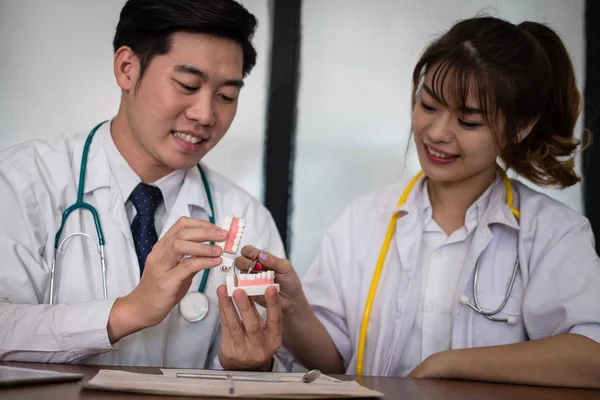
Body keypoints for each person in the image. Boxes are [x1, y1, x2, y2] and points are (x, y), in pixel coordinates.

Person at [216, 16, 600, 388]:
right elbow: (331, 362)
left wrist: (448, 365)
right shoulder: (363, 220)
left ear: (520, 126)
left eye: (468, 122)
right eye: (428, 106)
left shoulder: (553, 232)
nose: (436, 133)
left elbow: (591, 357)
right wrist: (294, 306)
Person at [0, 0, 284, 368]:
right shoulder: (23, 181)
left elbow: (284, 364)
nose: (205, 114)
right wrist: (128, 311)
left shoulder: (245, 217)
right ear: (126, 69)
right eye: (187, 85)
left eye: (226, 96)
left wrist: (252, 369)